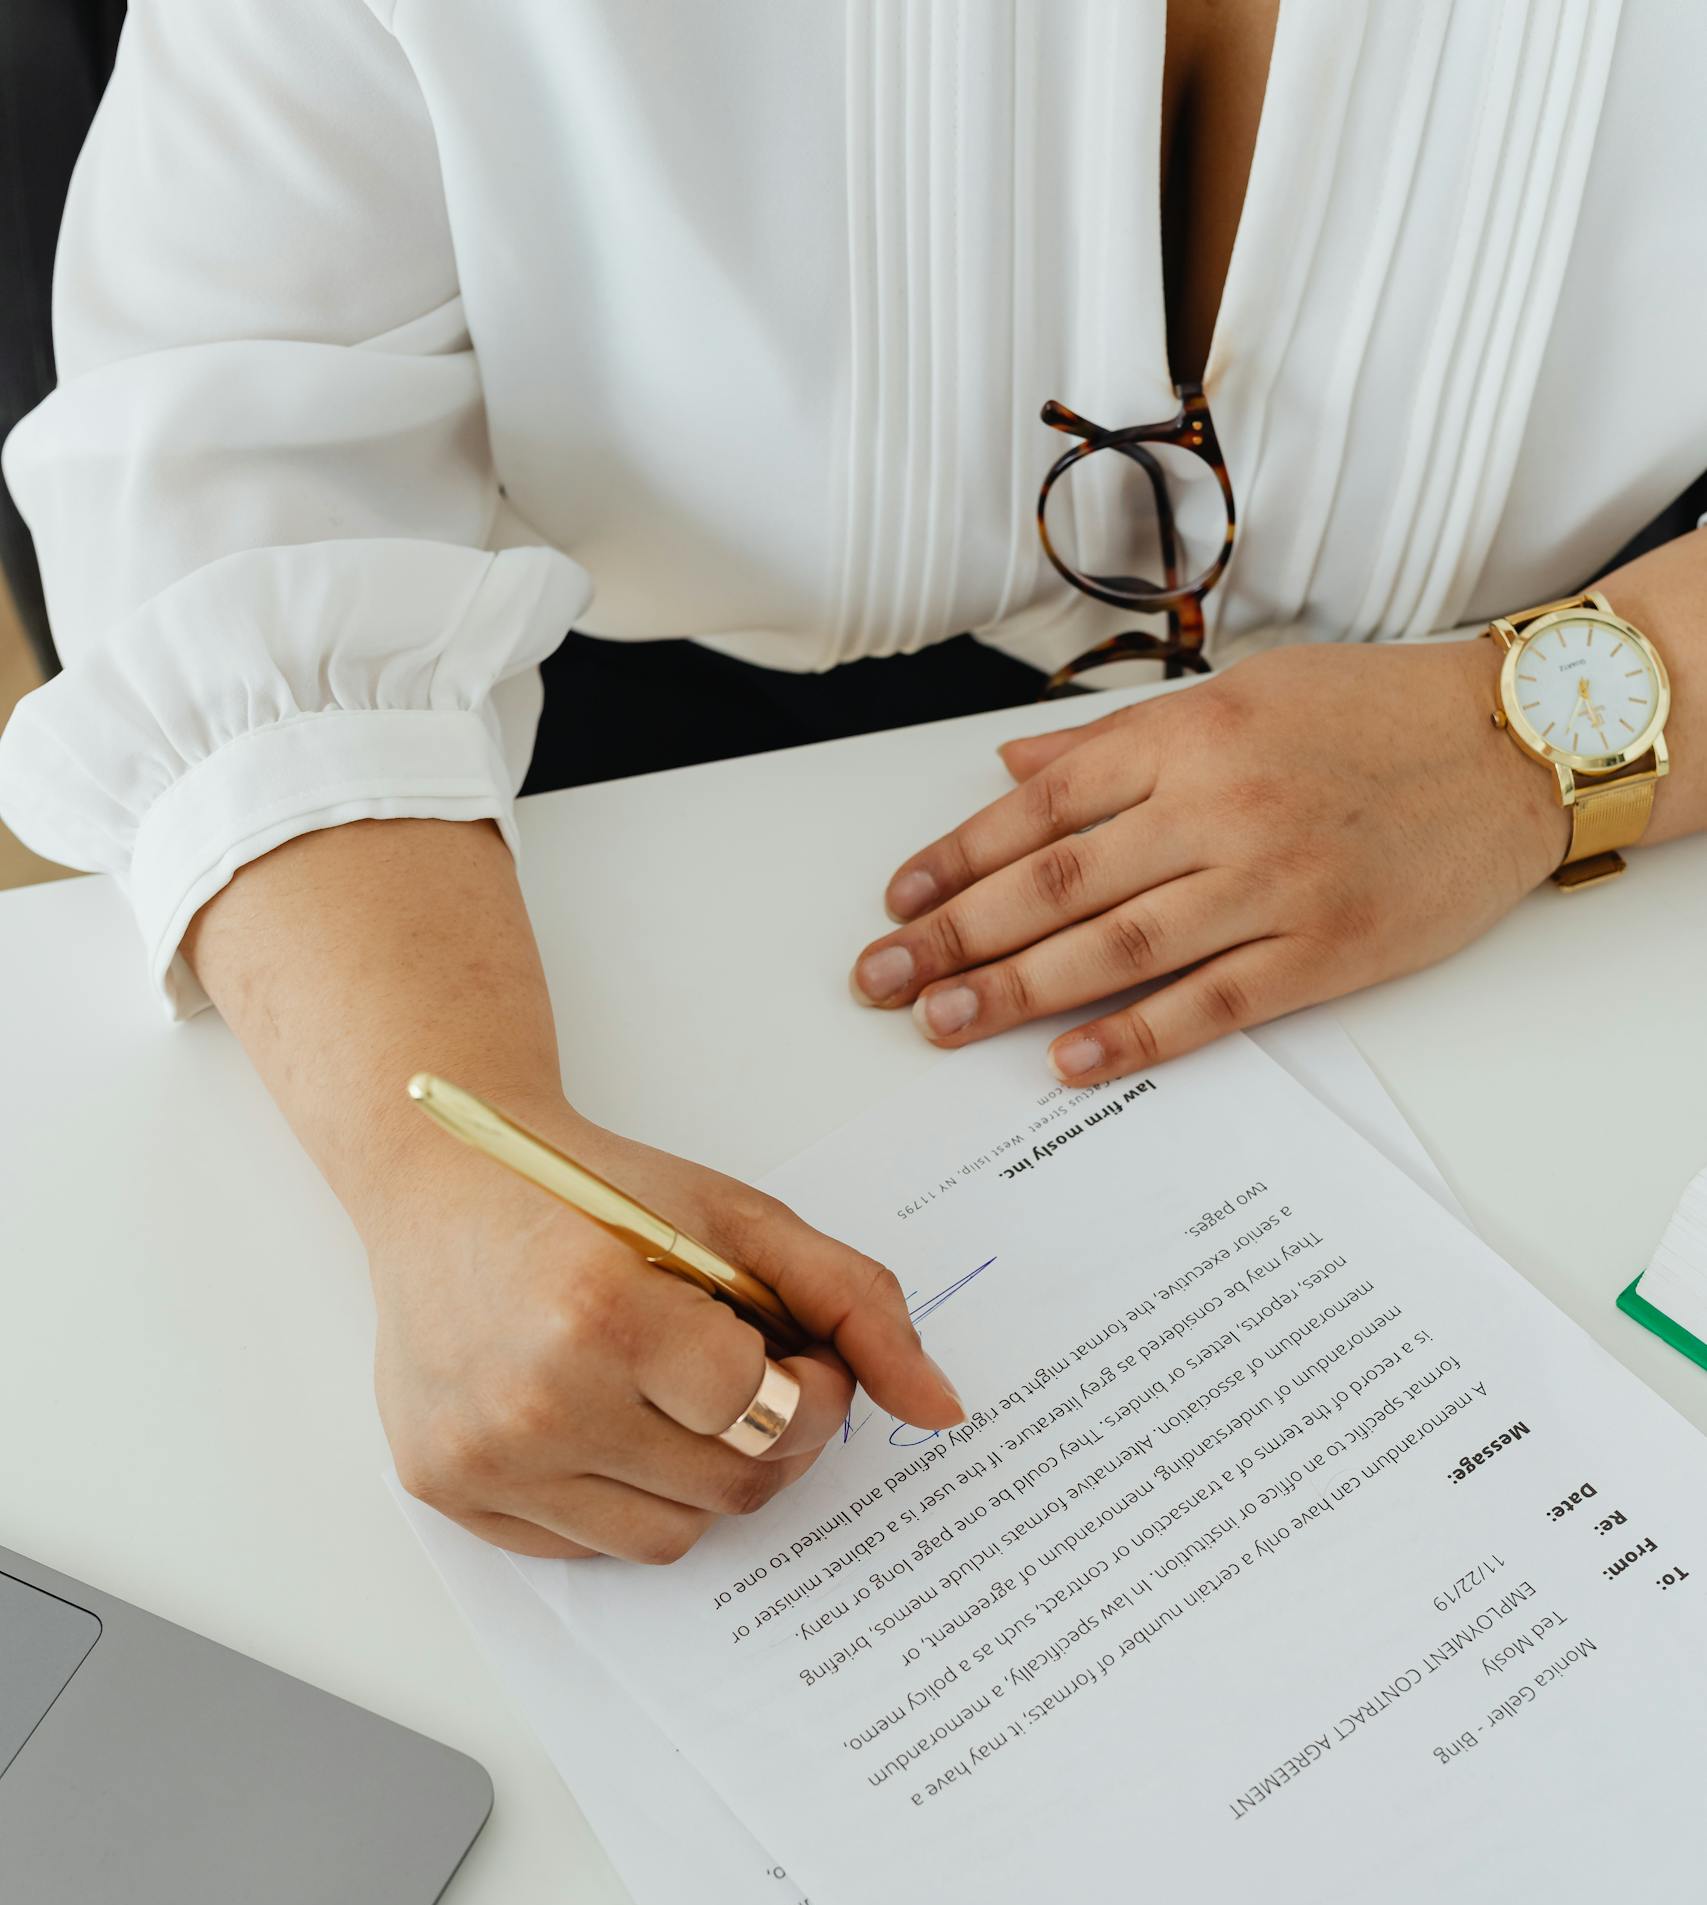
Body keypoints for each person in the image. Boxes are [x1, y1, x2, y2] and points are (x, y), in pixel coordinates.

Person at [0, 0, 1703, 1566]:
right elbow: (236, 473)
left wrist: (1543, 728)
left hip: (1556, 794)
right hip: (570, 736)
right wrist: (447, 1158)